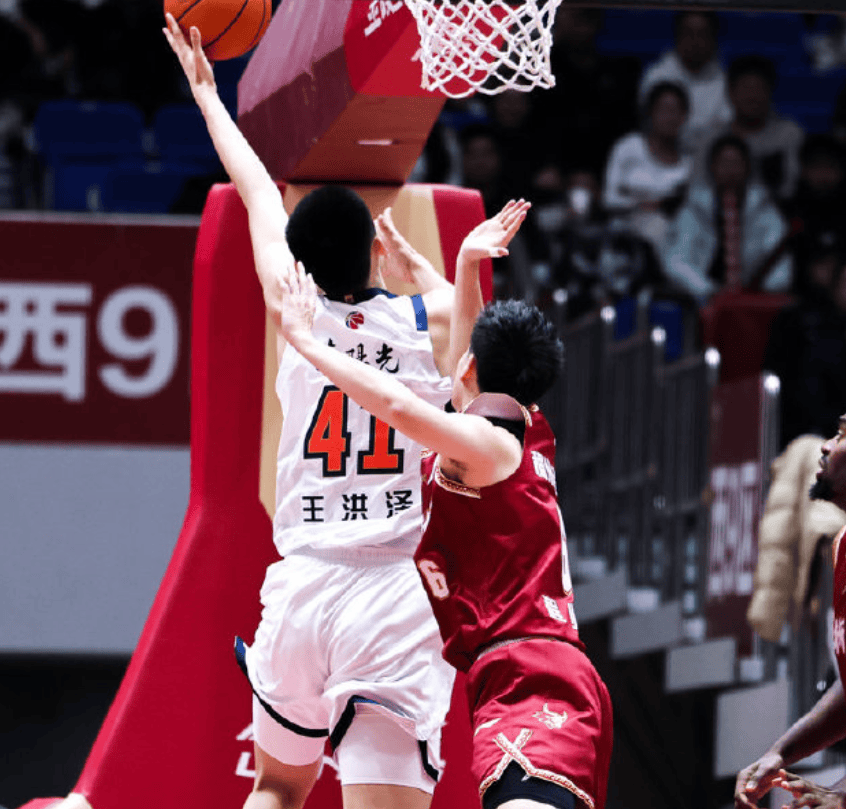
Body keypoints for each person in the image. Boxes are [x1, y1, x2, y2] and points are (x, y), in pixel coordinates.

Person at [163, 16, 461, 809]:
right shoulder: (429, 321)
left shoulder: (293, 309)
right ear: (376, 251)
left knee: (276, 787)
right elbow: (465, 308)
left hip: (302, 582)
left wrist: (208, 96)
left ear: (299, 263)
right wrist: (432, 274)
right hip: (391, 588)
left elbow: (258, 192)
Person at [276, 201, 614, 809]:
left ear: (471, 365)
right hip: (520, 671)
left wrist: (304, 340)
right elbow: (470, 358)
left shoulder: (484, 444)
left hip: (531, 673)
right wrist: (458, 266)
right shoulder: (523, 425)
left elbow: (398, 406)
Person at [735, 417, 846, 809]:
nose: (825, 446)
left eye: (842, 436)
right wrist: (779, 753)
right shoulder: (842, 546)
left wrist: (841, 794)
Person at [662, 134, 791, 302]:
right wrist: (708, 291)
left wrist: (764, 293)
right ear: (712, 167)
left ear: (748, 168)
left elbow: (780, 262)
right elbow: (676, 262)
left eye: (736, 164)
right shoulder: (693, 210)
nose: (730, 170)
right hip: (703, 300)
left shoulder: (766, 211)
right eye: (724, 164)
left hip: (754, 300)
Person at [603, 80, 692, 255]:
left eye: (676, 111)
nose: (670, 118)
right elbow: (609, 199)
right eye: (664, 110)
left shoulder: (688, 165)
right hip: (623, 233)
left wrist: (650, 202)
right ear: (650, 113)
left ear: (685, 117)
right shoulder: (628, 147)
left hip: (671, 237)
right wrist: (645, 204)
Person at [639, 11, 731, 155]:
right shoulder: (656, 76)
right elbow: (651, 127)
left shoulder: (726, 82)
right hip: (661, 157)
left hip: (709, 159)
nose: (695, 41)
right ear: (677, 35)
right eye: (689, 33)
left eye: (702, 34)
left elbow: (724, 129)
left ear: (714, 38)